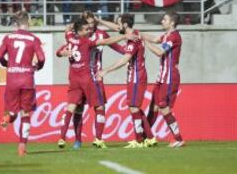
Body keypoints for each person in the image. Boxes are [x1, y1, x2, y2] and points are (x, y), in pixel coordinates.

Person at [56, 18, 134, 149]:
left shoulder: (69, 37)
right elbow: (106, 41)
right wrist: (124, 36)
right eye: (86, 28)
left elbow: (61, 45)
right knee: (99, 107)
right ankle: (97, 139)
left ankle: (62, 138)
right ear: (80, 31)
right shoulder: (86, 41)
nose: (89, 29)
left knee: (71, 107)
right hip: (88, 78)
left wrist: (61, 52)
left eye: (90, 26)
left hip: (74, 79)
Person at [97, 14, 157, 148]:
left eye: (119, 24)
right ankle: (150, 138)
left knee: (134, 107)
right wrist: (99, 21)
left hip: (136, 76)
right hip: (136, 75)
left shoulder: (133, 39)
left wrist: (106, 70)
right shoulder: (135, 34)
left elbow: (125, 60)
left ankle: (139, 140)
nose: (117, 27)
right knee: (134, 107)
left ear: (124, 24)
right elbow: (116, 29)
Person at [0, 11, 45, 156]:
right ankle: (22, 147)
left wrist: (8, 64)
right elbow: (41, 58)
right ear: (28, 21)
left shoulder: (8, 37)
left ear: (16, 23)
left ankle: (7, 118)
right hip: (27, 79)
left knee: (12, 111)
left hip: (12, 79)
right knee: (25, 114)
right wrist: (37, 67)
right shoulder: (33, 39)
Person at [140, 12, 185, 148]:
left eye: (165, 19)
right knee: (153, 106)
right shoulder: (166, 35)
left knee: (163, 107)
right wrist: (140, 34)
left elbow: (159, 52)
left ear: (172, 22)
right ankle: (144, 138)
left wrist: (144, 42)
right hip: (162, 76)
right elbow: (155, 39)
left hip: (170, 76)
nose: (162, 21)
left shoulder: (174, 37)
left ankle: (179, 139)